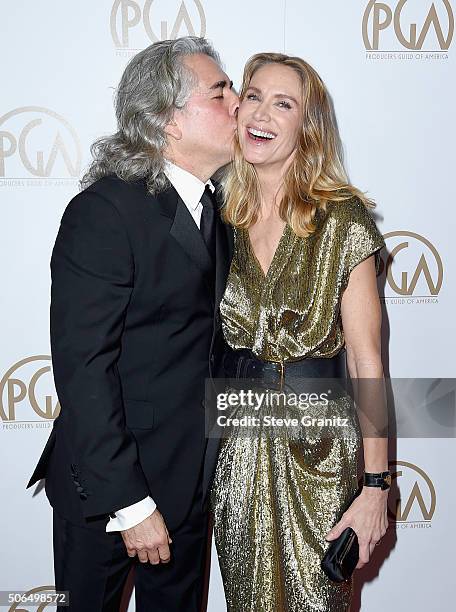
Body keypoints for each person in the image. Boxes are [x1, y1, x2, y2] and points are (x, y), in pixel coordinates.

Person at [26, 36, 238, 612]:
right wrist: (132, 505)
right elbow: (83, 368)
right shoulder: (106, 211)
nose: (239, 103)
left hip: (188, 486)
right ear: (168, 119)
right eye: (220, 92)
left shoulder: (216, 210)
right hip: (110, 493)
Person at [210, 53, 389, 611]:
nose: (261, 112)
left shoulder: (343, 221)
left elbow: (366, 365)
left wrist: (376, 488)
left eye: (282, 103)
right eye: (254, 95)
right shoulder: (215, 215)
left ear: (306, 125)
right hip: (237, 446)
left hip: (320, 450)